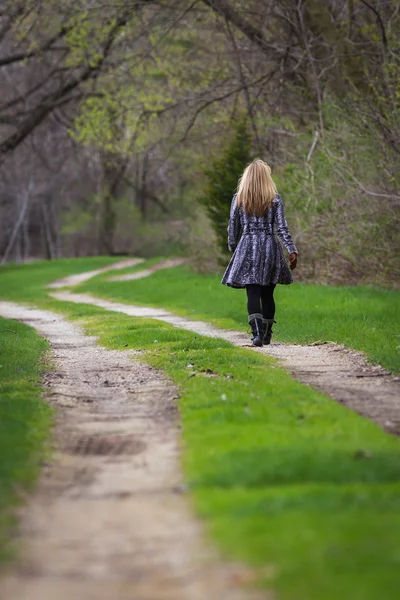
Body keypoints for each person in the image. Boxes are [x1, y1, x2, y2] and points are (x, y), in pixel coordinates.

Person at [221, 159, 297, 346]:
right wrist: (291, 249)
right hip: (270, 247)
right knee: (267, 294)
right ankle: (266, 333)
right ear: (266, 178)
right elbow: (282, 228)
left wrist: (232, 246)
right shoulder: (275, 200)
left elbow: (233, 227)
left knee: (252, 292)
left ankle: (256, 334)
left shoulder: (239, 199)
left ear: (246, 179)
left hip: (247, 247)